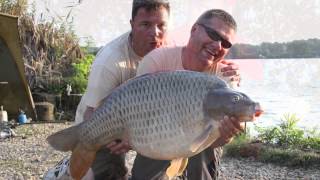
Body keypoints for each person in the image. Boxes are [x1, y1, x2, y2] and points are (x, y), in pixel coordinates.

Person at [44, 0, 240, 179]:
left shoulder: (215, 70)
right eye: (146, 24)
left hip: (150, 124)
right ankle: (70, 165)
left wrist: (225, 133)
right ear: (132, 25)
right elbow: (91, 112)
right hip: (103, 118)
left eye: (161, 25)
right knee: (104, 172)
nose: (155, 33)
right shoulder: (110, 62)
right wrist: (102, 138)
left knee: (205, 137)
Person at [131, 9, 242, 180]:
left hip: (201, 142)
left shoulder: (226, 78)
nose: (218, 46)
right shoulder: (157, 60)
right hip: (159, 135)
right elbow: (138, 117)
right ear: (194, 30)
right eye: (213, 34)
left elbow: (218, 141)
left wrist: (226, 136)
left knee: (205, 140)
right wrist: (127, 137)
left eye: (226, 44)